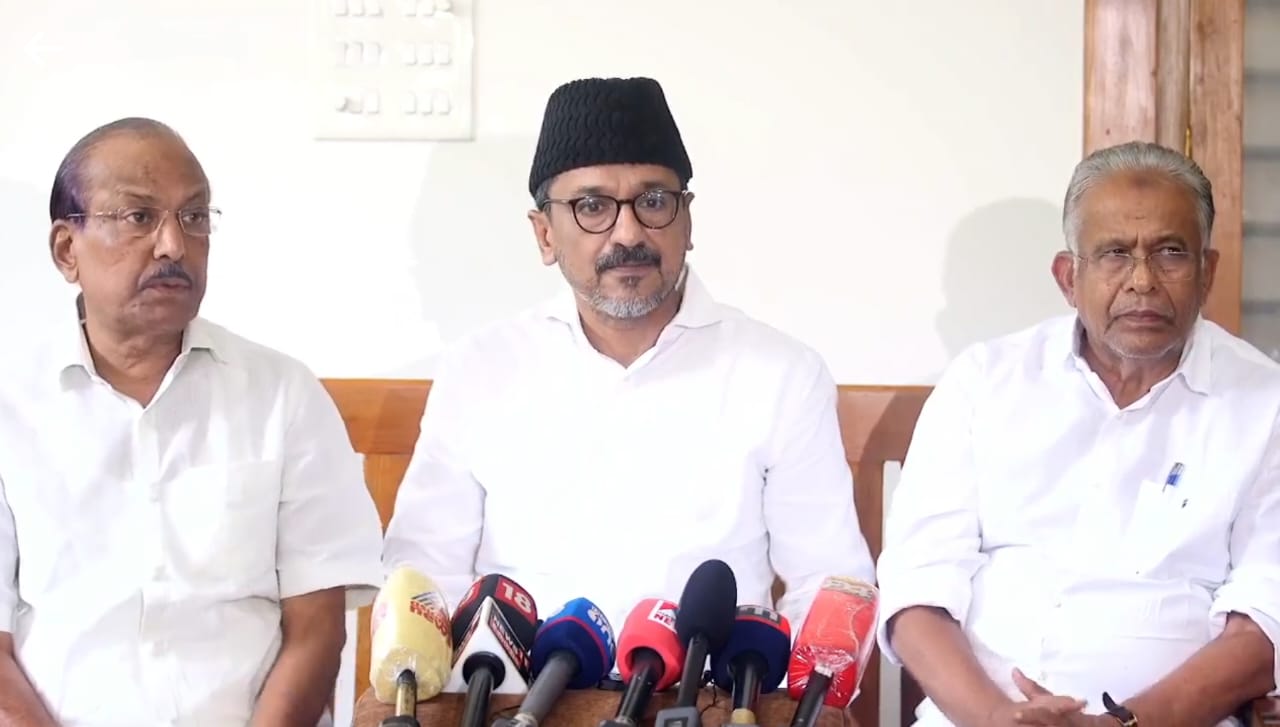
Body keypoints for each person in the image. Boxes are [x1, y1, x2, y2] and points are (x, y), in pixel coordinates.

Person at [381, 76, 875, 639]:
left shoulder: (781, 374)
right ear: (545, 235)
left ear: (688, 220)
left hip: (711, 686)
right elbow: (425, 573)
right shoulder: (480, 371)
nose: (628, 233)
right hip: (516, 685)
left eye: (654, 202)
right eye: (592, 206)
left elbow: (827, 582)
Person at [876, 140, 1280, 727]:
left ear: (1206, 271)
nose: (1143, 281)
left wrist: (1126, 724)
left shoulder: (1266, 403)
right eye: (1115, 253)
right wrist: (995, 717)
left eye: (1170, 253)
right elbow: (917, 589)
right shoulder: (984, 381)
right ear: (1069, 277)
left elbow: (1266, 619)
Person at [0, 118, 385, 726]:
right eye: (138, 216)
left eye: (195, 217)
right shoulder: (11, 407)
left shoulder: (282, 395)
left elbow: (315, 630)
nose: (173, 246)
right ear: (66, 250)